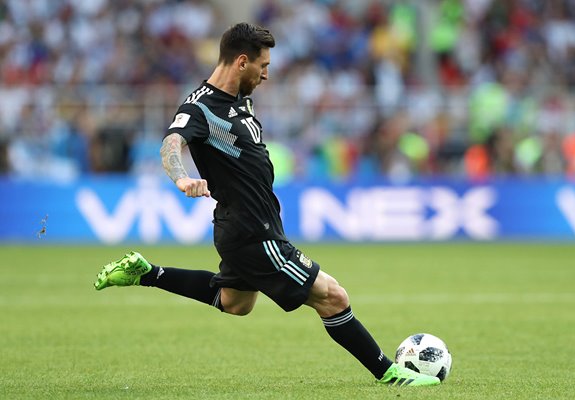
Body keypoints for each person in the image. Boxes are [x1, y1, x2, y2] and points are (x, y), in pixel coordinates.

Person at [94, 22, 440, 388]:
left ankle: (148, 273)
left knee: (235, 302)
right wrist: (181, 177)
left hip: (245, 226)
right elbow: (170, 143)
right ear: (242, 62)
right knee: (333, 296)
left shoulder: (240, 98)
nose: (267, 74)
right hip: (252, 232)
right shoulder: (200, 108)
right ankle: (389, 372)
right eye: (264, 66)